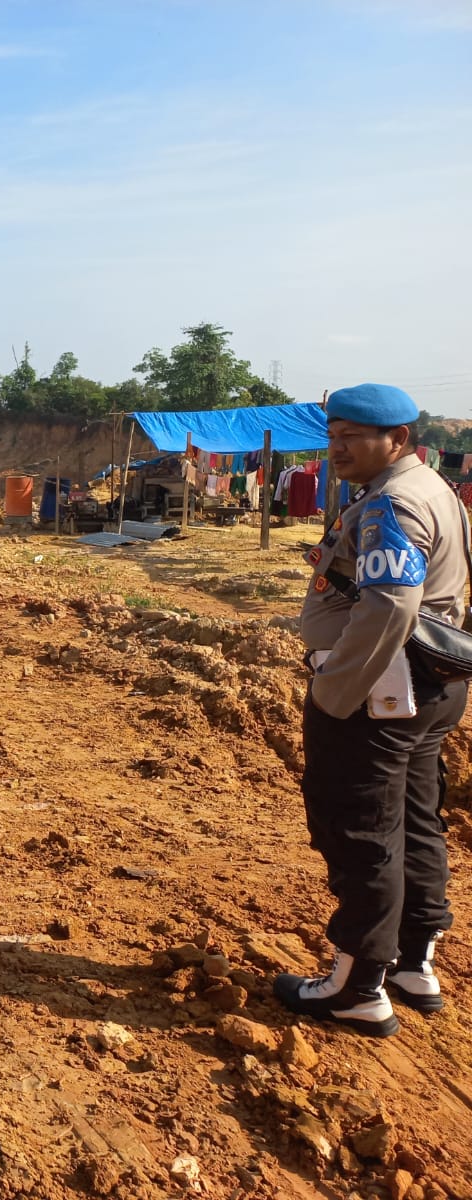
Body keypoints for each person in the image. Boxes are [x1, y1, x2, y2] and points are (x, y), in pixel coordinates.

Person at [276, 383, 469, 1036]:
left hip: (382, 689)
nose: (338, 447)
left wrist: (335, 681)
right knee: (415, 818)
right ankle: (414, 962)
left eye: (354, 436)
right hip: (430, 685)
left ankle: (358, 988)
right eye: (333, 435)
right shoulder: (433, 489)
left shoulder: (393, 501)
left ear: (398, 440)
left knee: (362, 828)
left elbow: (389, 603)